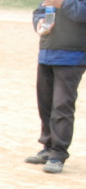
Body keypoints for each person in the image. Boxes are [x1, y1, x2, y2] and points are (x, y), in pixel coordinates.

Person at [24, 0, 86, 174]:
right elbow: (40, 10)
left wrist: (63, 4)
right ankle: (48, 147)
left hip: (73, 56)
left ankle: (58, 154)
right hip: (46, 53)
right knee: (45, 104)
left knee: (62, 105)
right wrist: (39, 22)